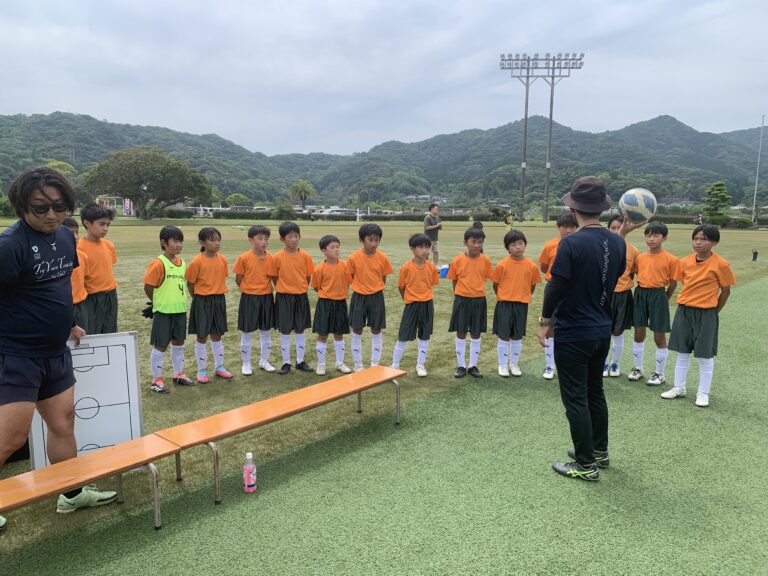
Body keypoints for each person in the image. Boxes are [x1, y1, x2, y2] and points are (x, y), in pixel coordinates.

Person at [0, 167, 117, 532]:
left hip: (55, 352)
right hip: (16, 355)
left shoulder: (66, 238)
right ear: (22, 206)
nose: (51, 214)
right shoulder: (10, 246)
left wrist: (68, 323)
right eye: (41, 207)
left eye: (59, 206)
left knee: (64, 422)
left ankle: (71, 493)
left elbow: (58, 286)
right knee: (11, 437)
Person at [537, 176, 626, 481]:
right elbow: (614, 275)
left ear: (573, 209)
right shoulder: (618, 241)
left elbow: (556, 286)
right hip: (602, 329)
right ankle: (599, 451)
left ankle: (585, 464)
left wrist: (545, 322)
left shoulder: (570, 242)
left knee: (575, 398)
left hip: (574, 331)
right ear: (601, 208)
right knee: (594, 391)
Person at [661, 225, 735, 407]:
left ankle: (703, 393)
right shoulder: (685, 261)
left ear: (714, 242)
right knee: (682, 352)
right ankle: (679, 387)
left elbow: (726, 291)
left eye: (703, 239)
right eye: (695, 238)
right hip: (684, 311)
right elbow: (684, 283)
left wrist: (713, 312)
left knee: (705, 355)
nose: (698, 242)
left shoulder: (721, 264)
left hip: (707, 313)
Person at [143, 225, 192, 393]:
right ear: (164, 243)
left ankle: (178, 374)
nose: (179, 245)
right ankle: (156, 380)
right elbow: (148, 287)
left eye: (181, 241)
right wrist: (156, 303)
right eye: (175, 241)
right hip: (163, 312)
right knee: (161, 345)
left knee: (179, 343)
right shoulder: (158, 263)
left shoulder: (182, 263)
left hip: (180, 311)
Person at [628, 222, 679, 386]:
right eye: (648, 235)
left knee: (659, 337)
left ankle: (659, 373)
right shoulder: (640, 258)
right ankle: (638, 369)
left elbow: (673, 283)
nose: (651, 239)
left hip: (658, 295)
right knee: (638, 333)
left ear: (664, 238)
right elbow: (632, 275)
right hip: (640, 294)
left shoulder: (671, 259)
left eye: (656, 236)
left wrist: (664, 298)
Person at [491, 229, 541, 377]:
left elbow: (532, 286)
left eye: (520, 243)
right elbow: (496, 284)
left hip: (521, 305)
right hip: (504, 304)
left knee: (517, 336)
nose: (518, 247)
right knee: (504, 335)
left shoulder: (531, 266)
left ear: (525, 244)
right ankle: (502, 365)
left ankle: (514, 364)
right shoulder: (502, 265)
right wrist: (504, 296)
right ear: (507, 248)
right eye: (513, 245)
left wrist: (522, 296)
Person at [267, 221, 315, 375]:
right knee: (285, 330)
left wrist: (299, 288)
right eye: (290, 236)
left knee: (300, 329)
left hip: (301, 296)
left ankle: (300, 361)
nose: (294, 239)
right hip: (284, 298)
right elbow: (274, 277)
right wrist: (285, 288)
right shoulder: (277, 257)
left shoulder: (306, 256)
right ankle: (286, 362)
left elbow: (307, 277)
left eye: (296, 236)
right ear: (282, 239)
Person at [186, 227, 233, 383]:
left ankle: (219, 367)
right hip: (202, 300)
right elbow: (190, 284)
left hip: (219, 300)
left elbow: (221, 277)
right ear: (202, 243)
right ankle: (201, 370)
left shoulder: (223, 260)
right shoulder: (196, 261)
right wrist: (197, 298)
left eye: (218, 240)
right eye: (212, 240)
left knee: (217, 334)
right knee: (202, 335)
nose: (217, 243)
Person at [390, 233, 440, 376]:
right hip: (411, 305)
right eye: (420, 247)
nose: (425, 250)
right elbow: (401, 287)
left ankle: (420, 365)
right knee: (403, 335)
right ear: (412, 248)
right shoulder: (406, 268)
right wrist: (408, 299)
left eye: (427, 247)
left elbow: (431, 284)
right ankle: (395, 364)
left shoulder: (431, 267)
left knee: (424, 335)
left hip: (427, 305)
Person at [347, 223, 394, 372]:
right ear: (362, 240)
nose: (374, 243)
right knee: (357, 329)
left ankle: (374, 364)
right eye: (370, 240)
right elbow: (350, 276)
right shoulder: (353, 258)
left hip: (376, 297)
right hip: (359, 297)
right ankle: (358, 364)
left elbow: (383, 277)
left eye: (377, 240)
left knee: (376, 329)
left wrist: (375, 289)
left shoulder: (382, 258)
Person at [447, 227, 492, 378]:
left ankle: (473, 366)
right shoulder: (458, 260)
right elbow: (454, 280)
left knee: (476, 332)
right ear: (465, 242)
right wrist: (460, 294)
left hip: (479, 300)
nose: (477, 245)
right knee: (461, 331)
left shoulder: (485, 260)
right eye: (473, 242)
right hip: (461, 299)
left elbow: (486, 277)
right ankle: (461, 365)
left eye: (480, 242)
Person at [537, 212, 578, 380]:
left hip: (574, 290)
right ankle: (549, 365)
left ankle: (568, 366)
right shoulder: (550, 245)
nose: (568, 230)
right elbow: (544, 268)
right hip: (554, 289)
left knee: (573, 327)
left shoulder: (580, 244)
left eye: (572, 226)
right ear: (558, 227)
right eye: (564, 226)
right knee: (550, 327)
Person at [232, 225, 276, 375]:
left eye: (266, 239)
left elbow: (274, 278)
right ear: (251, 240)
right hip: (249, 298)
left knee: (266, 332)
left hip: (266, 297)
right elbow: (238, 279)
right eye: (260, 238)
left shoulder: (271, 258)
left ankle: (264, 361)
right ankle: (246, 364)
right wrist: (249, 290)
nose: (264, 242)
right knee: (247, 332)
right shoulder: (243, 258)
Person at [603, 215, 640, 377]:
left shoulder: (633, 250)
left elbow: (632, 273)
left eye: (620, 227)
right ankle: (603, 363)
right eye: (613, 227)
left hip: (623, 295)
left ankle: (615, 364)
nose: (617, 230)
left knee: (618, 331)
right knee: (603, 330)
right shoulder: (602, 247)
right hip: (605, 294)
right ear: (608, 229)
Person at [312, 235, 352, 375]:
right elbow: (316, 287)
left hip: (340, 303)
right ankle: (321, 364)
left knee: (339, 334)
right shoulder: (319, 269)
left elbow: (348, 282)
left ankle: (339, 363)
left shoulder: (345, 266)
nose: (336, 249)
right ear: (324, 251)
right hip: (325, 304)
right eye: (332, 247)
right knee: (323, 335)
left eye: (338, 246)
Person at [78, 202, 118, 334]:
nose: (105, 228)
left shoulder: (109, 245)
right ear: (87, 223)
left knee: (110, 334)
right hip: (91, 299)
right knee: (92, 335)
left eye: (108, 224)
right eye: (101, 224)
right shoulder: (79, 248)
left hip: (110, 296)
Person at [62, 217, 90, 331]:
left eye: (77, 232)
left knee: (84, 337)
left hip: (80, 306)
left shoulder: (82, 256)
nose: (75, 236)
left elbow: (85, 280)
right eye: (70, 233)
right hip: (63, 306)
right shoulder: (52, 258)